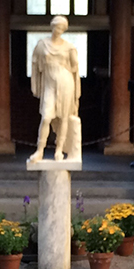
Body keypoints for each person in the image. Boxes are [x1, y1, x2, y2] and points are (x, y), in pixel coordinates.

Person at [29, 15, 82, 161]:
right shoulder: (42, 45)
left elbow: (75, 71)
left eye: (62, 28)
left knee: (64, 117)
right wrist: (35, 86)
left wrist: (76, 94)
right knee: (46, 117)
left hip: (65, 83)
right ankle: (40, 150)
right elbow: (35, 66)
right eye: (57, 27)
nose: (59, 30)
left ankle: (59, 150)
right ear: (52, 26)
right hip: (49, 83)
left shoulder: (69, 47)